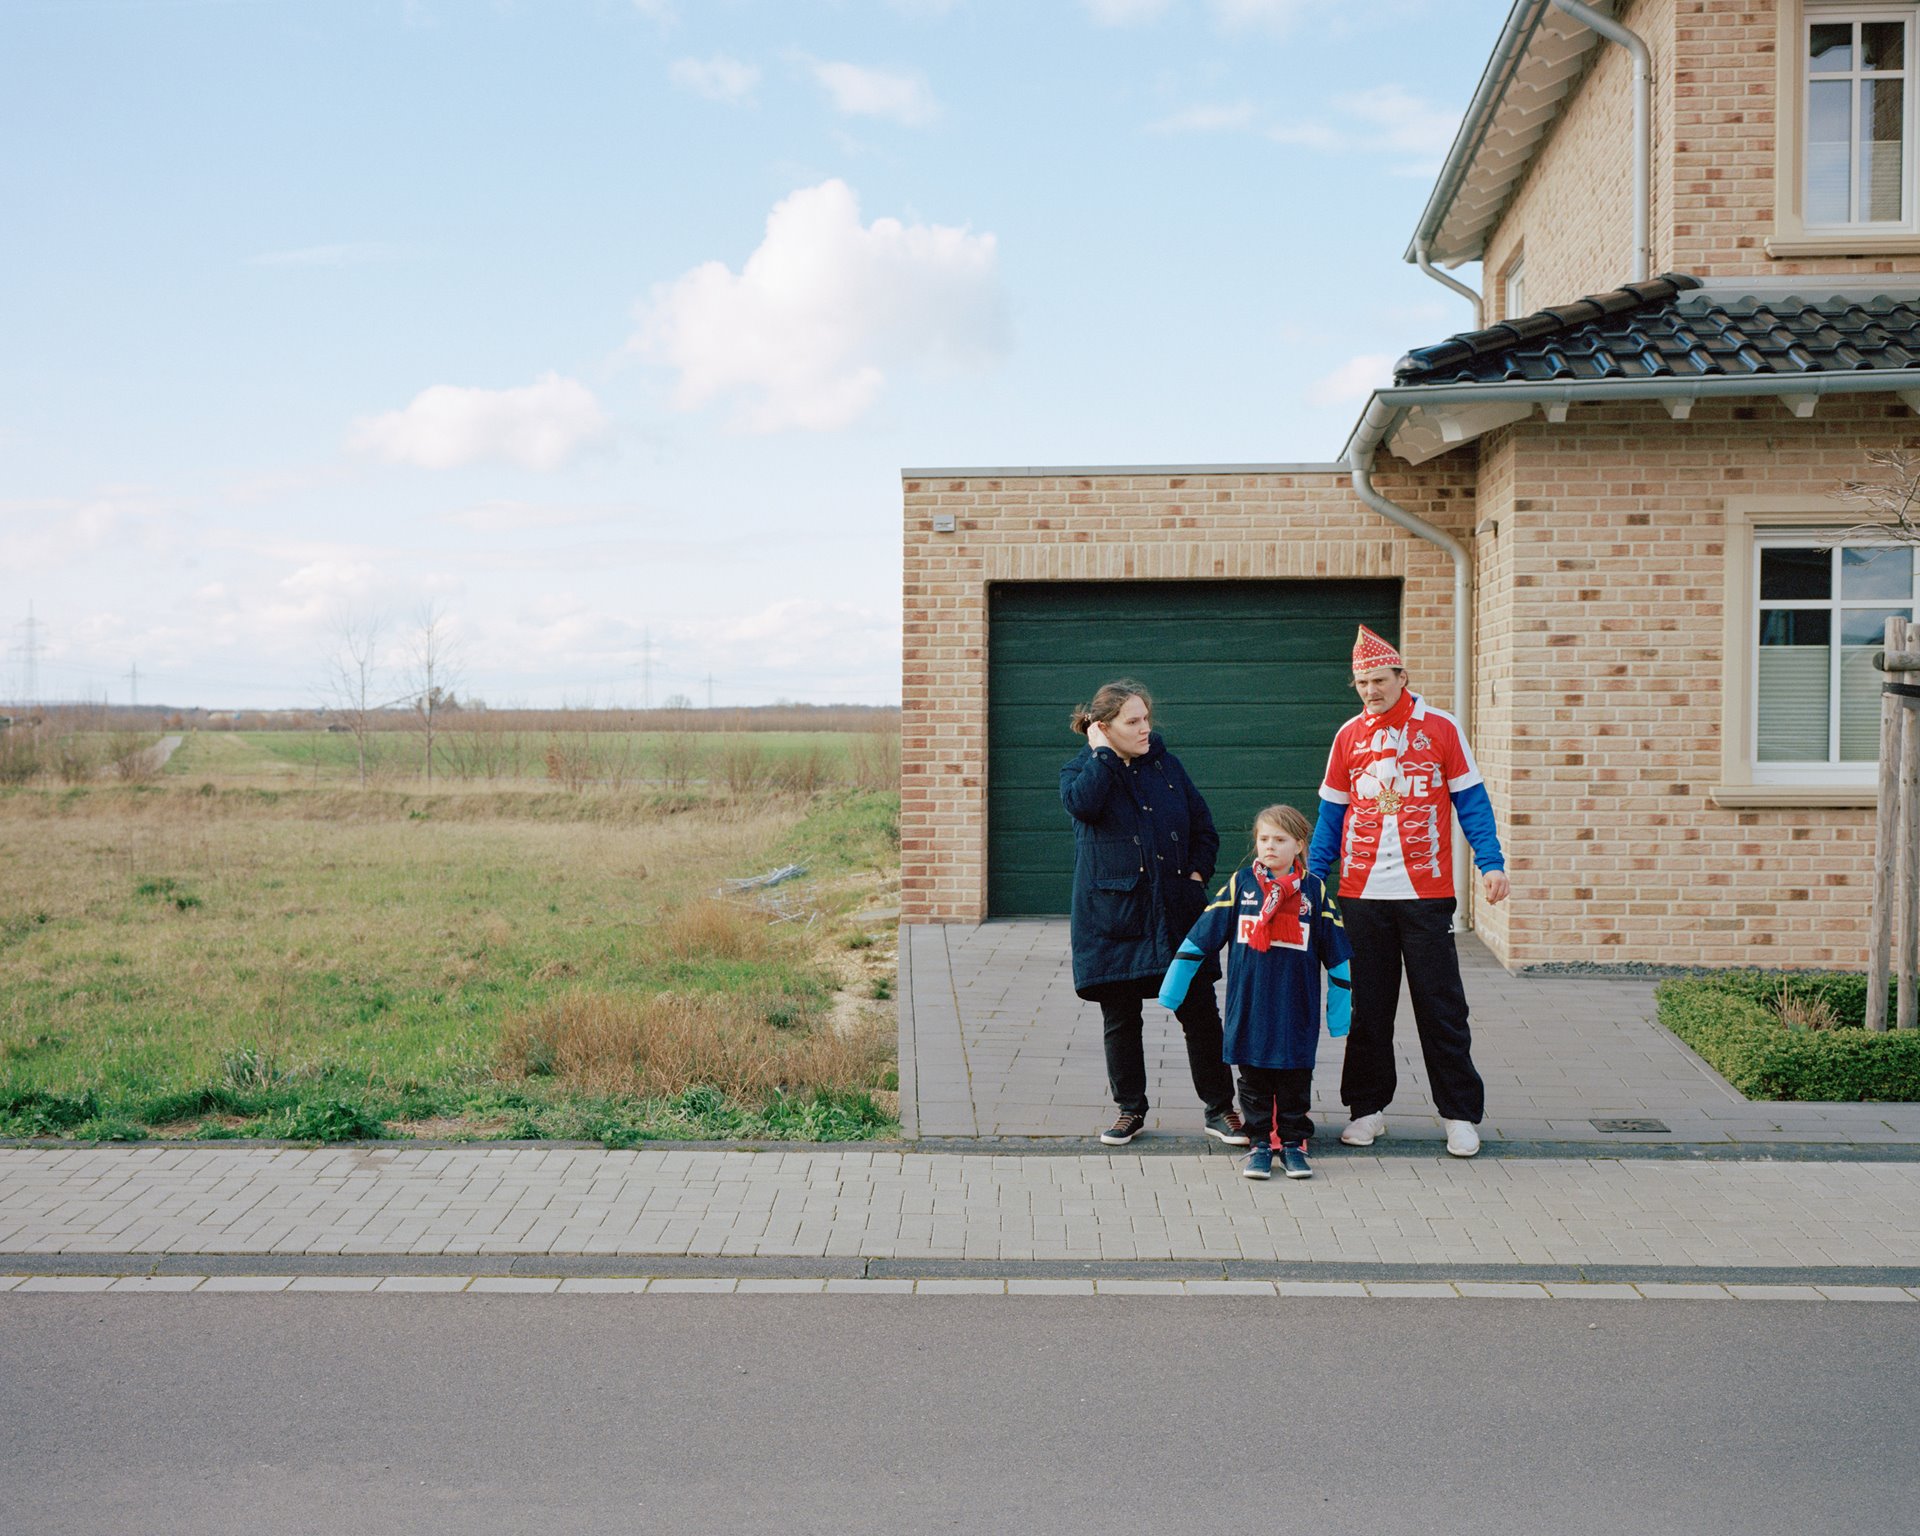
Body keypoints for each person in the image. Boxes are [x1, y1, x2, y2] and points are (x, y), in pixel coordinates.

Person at [1305, 626, 1509, 1158]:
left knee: (1440, 1005)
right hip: (1360, 892)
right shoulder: (1348, 735)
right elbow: (1331, 815)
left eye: (1378, 680)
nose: (1370, 690)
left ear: (1402, 677)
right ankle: (1367, 1110)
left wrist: (1491, 863)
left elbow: (1472, 802)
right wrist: (1314, 877)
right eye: (1361, 683)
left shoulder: (1441, 728)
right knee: (1368, 1007)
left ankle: (1460, 1114)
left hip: (1426, 892)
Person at [1060, 679, 1244, 1148]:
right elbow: (1084, 805)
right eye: (1132, 721)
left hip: (1177, 911)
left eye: (1146, 718)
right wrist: (1102, 755)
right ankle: (1130, 1111)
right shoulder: (1082, 770)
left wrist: (1197, 876)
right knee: (1120, 1016)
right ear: (1104, 728)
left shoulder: (1167, 767)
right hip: (1114, 918)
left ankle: (1221, 1110)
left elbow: (1203, 826)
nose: (1145, 729)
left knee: (1199, 1011)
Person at [1158, 804, 1351, 1180]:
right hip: (1250, 1005)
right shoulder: (1241, 884)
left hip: (1296, 1006)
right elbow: (1201, 936)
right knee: (1253, 1080)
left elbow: (1338, 956)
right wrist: (1173, 989)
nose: (1270, 847)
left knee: (1295, 1079)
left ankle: (1293, 1146)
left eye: (1280, 840)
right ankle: (1260, 1144)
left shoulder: (1315, 891)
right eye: (1264, 839)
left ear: (1299, 844)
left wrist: (1340, 1013)